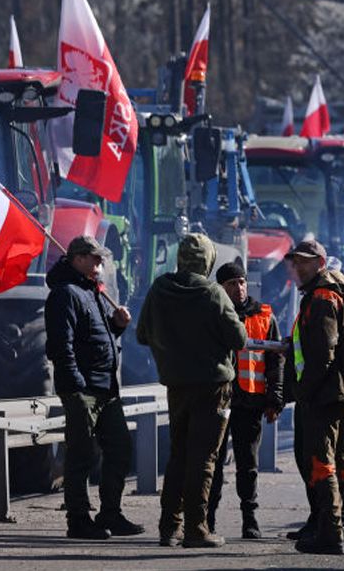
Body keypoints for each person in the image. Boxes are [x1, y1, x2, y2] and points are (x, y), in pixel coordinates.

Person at [137, 233, 248, 548]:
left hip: (177, 385)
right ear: (208, 261)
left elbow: (143, 334)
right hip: (213, 388)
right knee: (204, 458)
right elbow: (238, 339)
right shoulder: (213, 292)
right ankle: (197, 528)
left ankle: (168, 527)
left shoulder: (159, 289)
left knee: (179, 455)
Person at [45, 235, 144, 540]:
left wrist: (117, 326)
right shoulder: (66, 294)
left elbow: (97, 338)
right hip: (84, 389)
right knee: (81, 454)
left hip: (105, 389)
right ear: (77, 258)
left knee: (120, 448)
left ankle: (110, 513)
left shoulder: (93, 292)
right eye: (95, 258)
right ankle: (78, 519)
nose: (100, 263)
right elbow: (62, 345)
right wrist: (75, 384)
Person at [286, 239, 344, 555]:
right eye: (295, 262)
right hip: (340, 393)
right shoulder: (336, 292)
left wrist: (304, 391)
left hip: (324, 394)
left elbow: (323, 352)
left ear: (320, 263)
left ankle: (331, 534)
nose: (298, 267)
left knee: (322, 464)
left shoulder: (322, 297)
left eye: (305, 261)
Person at [207, 261, 285, 539]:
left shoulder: (264, 315)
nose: (239, 288)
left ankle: (250, 520)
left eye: (241, 282)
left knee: (247, 464)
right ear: (222, 287)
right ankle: (208, 519)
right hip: (219, 400)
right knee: (213, 464)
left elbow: (276, 360)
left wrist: (274, 399)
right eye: (232, 284)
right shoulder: (214, 314)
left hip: (250, 401)